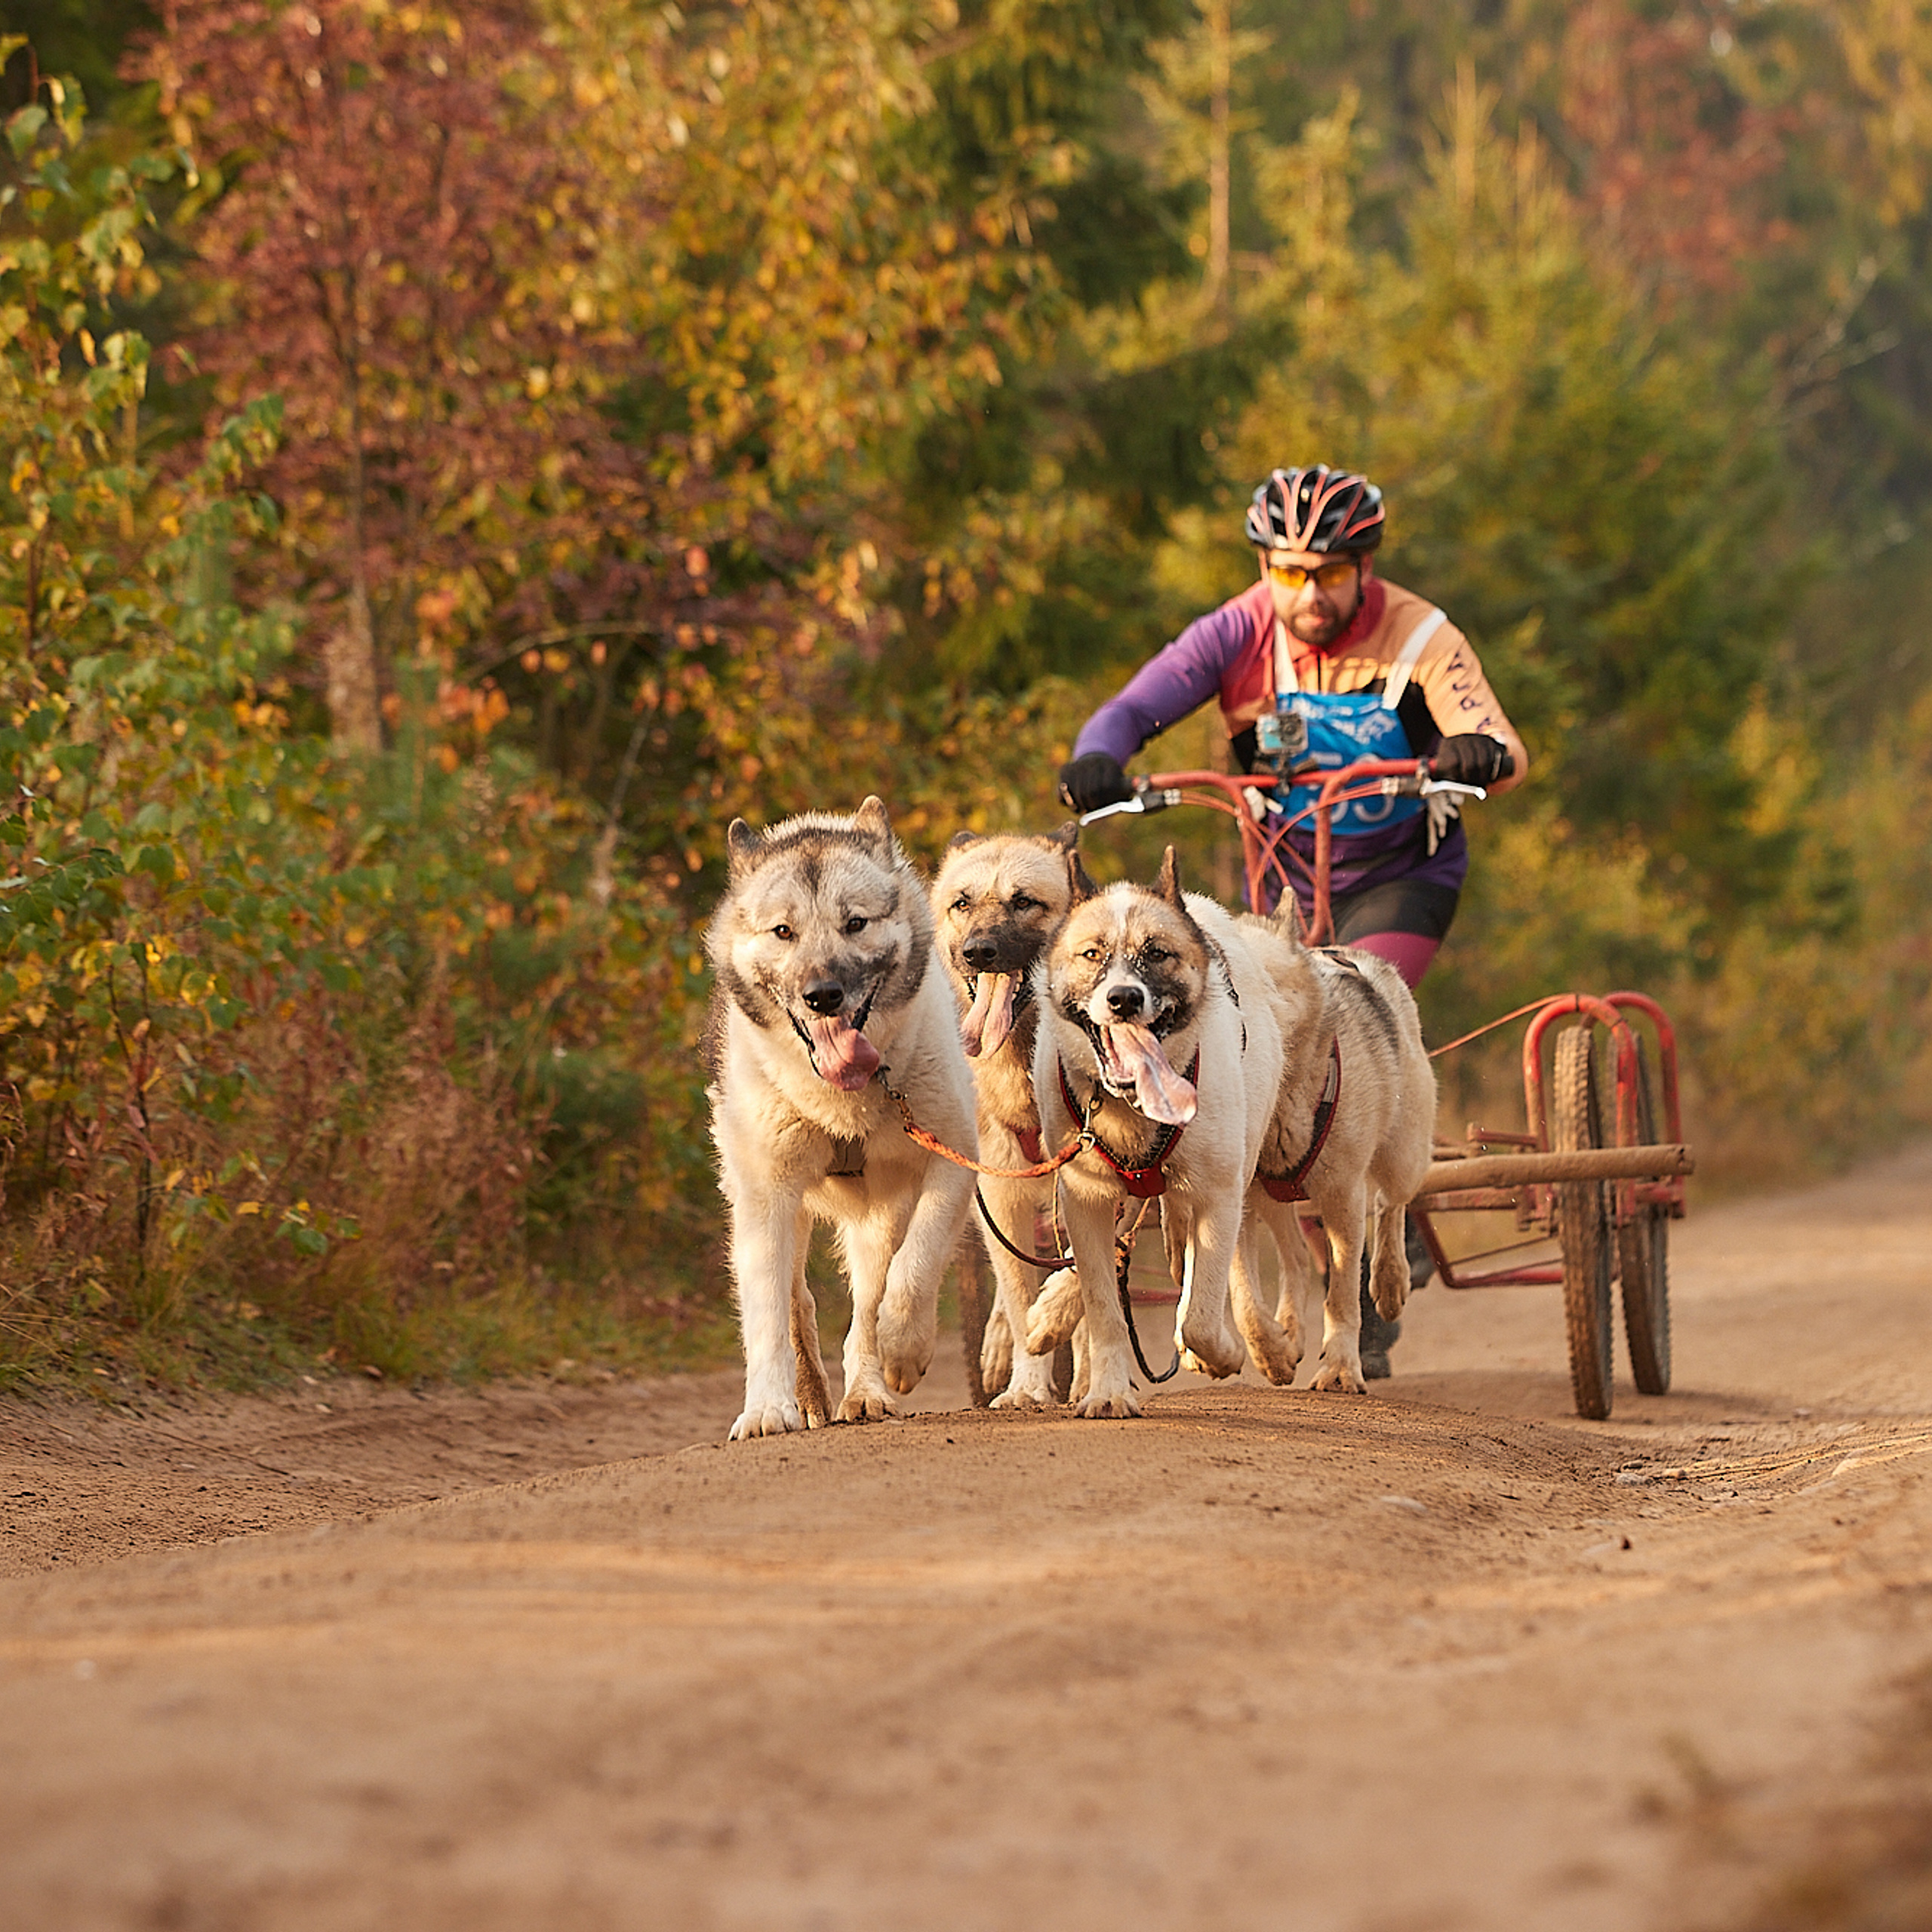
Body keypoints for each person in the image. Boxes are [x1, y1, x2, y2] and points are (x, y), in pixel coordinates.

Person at [1056, 463, 1530, 1375]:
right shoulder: (1236, 631)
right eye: (1287, 573)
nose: (1307, 594)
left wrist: (1479, 752)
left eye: (1330, 574)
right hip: (1278, 879)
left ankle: (1374, 1235)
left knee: (1344, 1035)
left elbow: (1501, 741)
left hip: (1400, 874)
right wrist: (1099, 753)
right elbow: (1136, 706)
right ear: (1264, 569)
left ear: (1365, 568)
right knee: (1270, 1048)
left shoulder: (1419, 635)